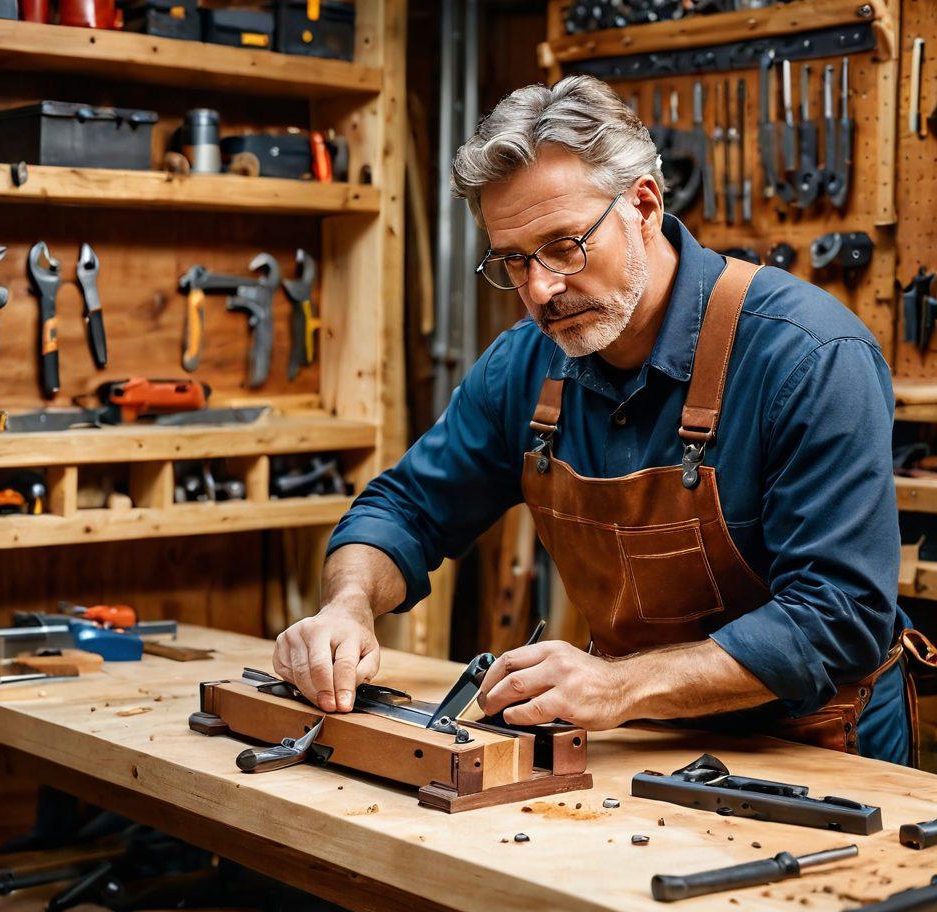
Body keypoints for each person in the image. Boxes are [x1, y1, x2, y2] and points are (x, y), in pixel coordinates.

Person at [273, 75, 909, 762]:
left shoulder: (809, 355)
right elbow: (405, 509)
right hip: (633, 746)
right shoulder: (524, 365)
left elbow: (840, 617)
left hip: (815, 753)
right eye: (513, 261)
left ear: (643, 202)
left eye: (564, 245)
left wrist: (619, 685)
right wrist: (348, 604)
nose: (542, 288)